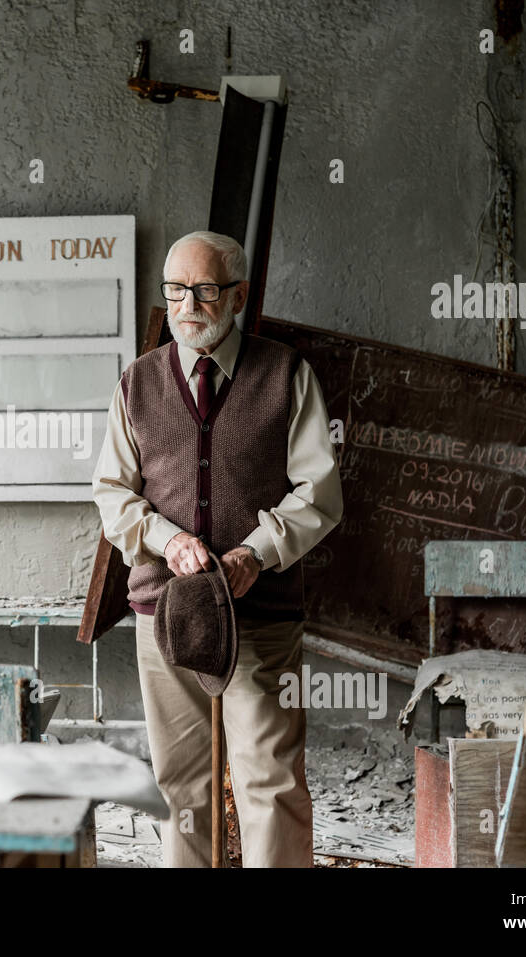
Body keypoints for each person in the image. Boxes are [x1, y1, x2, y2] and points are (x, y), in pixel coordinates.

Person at [92, 230, 343, 867]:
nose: (186, 306)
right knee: (182, 788)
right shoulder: (137, 384)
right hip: (165, 622)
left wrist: (253, 554)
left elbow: (319, 492)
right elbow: (112, 493)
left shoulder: (287, 373)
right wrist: (166, 540)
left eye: (204, 291)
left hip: (260, 620)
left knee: (271, 783)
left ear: (238, 297)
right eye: (175, 291)